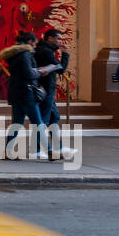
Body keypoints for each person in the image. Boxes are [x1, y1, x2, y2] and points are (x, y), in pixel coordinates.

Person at [0, 31, 60, 160]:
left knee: (17, 123)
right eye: (35, 43)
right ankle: (49, 151)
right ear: (30, 42)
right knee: (38, 123)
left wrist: (35, 71)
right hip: (27, 94)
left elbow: (22, 72)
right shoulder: (25, 54)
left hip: (17, 93)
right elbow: (28, 73)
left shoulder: (14, 54)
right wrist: (40, 72)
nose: (35, 46)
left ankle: (8, 151)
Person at [33, 28, 70, 156]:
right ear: (50, 39)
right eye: (58, 38)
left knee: (54, 117)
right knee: (43, 119)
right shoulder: (46, 51)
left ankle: (57, 146)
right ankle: (36, 149)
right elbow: (61, 69)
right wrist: (65, 54)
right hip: (46, 89)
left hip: (46, 89)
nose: (61, 41)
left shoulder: (44, 49)